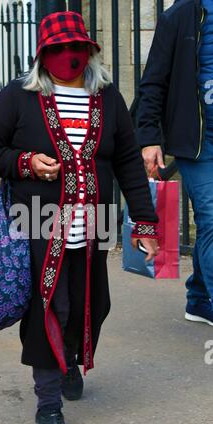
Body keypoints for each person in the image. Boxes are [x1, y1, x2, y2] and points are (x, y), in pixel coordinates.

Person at [0, 11, 159, 424]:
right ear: (43, 54)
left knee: (87, 305)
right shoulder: (20, 95)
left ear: (91, 51)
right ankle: (48, 403)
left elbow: (129, 161)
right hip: (34, 225)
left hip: (93, 225)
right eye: (57, 49)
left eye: (77, 47)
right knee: (48, 310)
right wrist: (24, 162)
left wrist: (145, 221)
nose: (68, 56)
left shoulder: (108, 99)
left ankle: (70, 359)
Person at [137, 0, 213, 328]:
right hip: (199, 143)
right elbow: (153, 82)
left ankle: (198, 299)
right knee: (212, 219)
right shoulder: (180, 16)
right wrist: (150, 137)